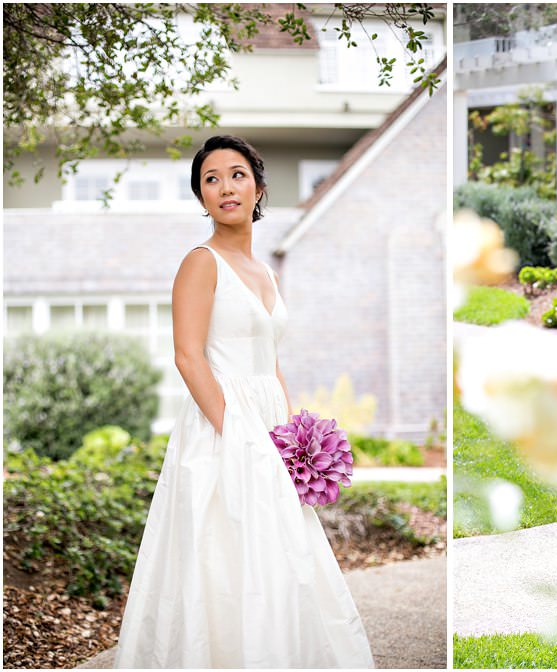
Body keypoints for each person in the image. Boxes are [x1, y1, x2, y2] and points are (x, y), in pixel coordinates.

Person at [114, 135, 374, 668]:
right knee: (221, 556)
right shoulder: (200, 262)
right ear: (202, 197)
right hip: (222, 426)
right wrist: (239, 433)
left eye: (236, 174)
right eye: (211, 179)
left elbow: (269, 357)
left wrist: (294, 434)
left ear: (258, 186)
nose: (225, 187)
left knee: (281, 557)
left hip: (268, 421)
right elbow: (188, 356)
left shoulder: (267, 273)